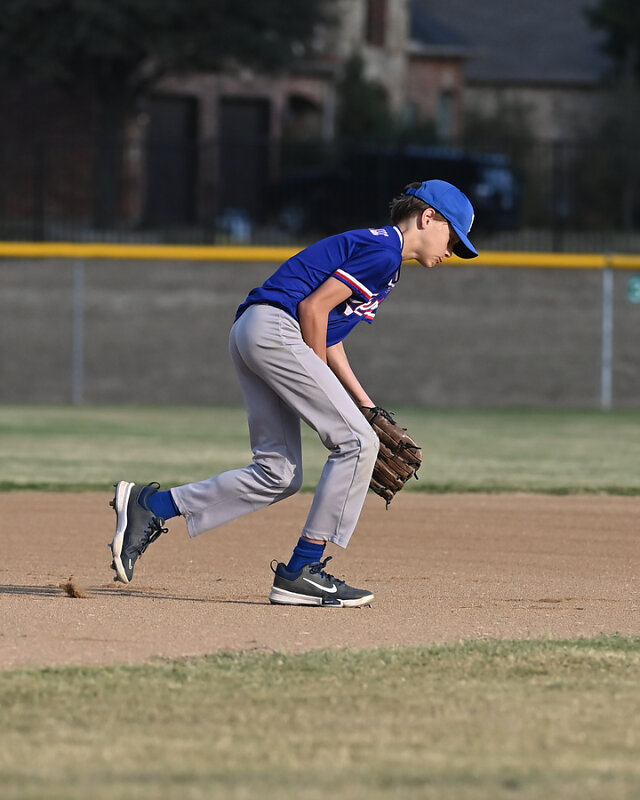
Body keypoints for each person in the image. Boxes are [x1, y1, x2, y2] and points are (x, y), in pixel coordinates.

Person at [109, 179, 478, 607]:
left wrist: (363, 403)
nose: (452, 250)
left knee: (279, 473)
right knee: (358, 443)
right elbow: (312, 310)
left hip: (254, 331)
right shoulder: (384, 252)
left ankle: (152, 506)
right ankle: (303, 569)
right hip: (276, 329)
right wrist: (326, 395)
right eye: (454, 237)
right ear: (427, 217)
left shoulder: (384, 258)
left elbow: (330, 333)